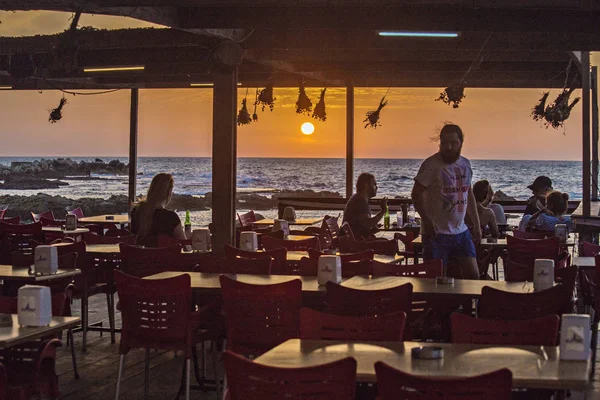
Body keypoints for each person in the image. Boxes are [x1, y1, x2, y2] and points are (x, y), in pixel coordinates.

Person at [411, 124, 481, 279]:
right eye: (445, 143)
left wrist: (476, 223)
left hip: (461, 231)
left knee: (473, 275)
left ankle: (466, 303)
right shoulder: (431, 165)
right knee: (437, 280)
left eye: (453, 143)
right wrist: (427, 221)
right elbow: (415, 195)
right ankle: (438, 304)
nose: (448, 147)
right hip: (437, 233)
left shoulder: (465, 165)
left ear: (461, 143)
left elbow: (468, 194)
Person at [130, 173, 187, 246]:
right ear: (168, 193)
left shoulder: (137, 211)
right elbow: (186, 247)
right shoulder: (171, 217)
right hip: (165, 257)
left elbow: (132, 240)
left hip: (140, 256)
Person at [342, 172, 387, 240]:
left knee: (386, 241)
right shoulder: (359, 201)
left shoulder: (359, 198)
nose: (377, 187)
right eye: (374, 184)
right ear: (366, 185)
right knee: (390, 243)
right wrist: (383, 210)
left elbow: (362, 225)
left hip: (355, 240)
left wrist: (373, 226)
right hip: (357, 244)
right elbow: (367, 223)